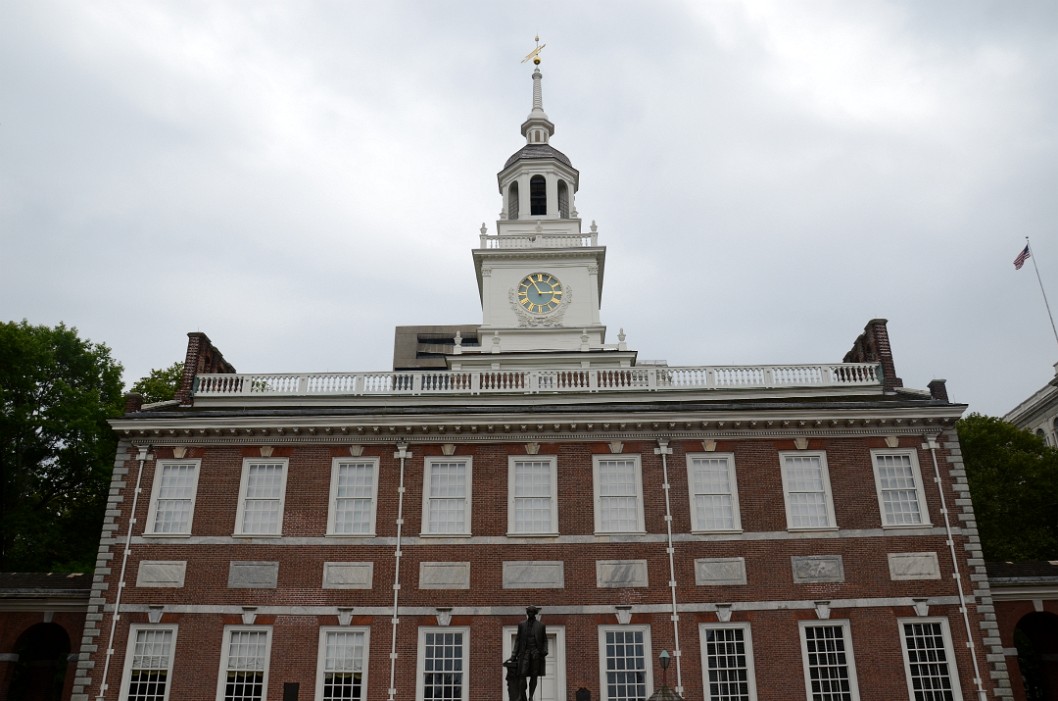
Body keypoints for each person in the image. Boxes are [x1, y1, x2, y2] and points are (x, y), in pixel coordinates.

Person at [508, 605, 547, 701]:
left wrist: (544, 650)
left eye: (532, 612)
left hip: (535, 653)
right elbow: (517, 640)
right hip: (524, 653)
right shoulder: (522, 625)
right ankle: (521, 695)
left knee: (534, 675)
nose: (530, 614)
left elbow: (545, 640)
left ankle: (530, 696)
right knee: (522, 674)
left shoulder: (541, 626)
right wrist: (513, 655)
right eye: (528, 612)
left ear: (535, 614)